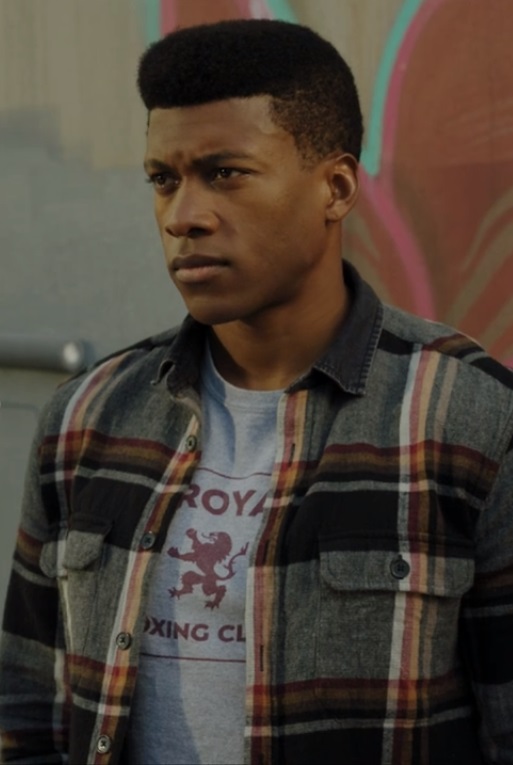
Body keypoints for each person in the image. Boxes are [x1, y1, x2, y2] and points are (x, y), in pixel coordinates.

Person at [1, 17, 513, 765]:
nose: (183, 217)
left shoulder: (470, 417)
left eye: (225, 173)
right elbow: (25, 707)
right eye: (163, 180)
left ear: (335, 187)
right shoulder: (86, 419)